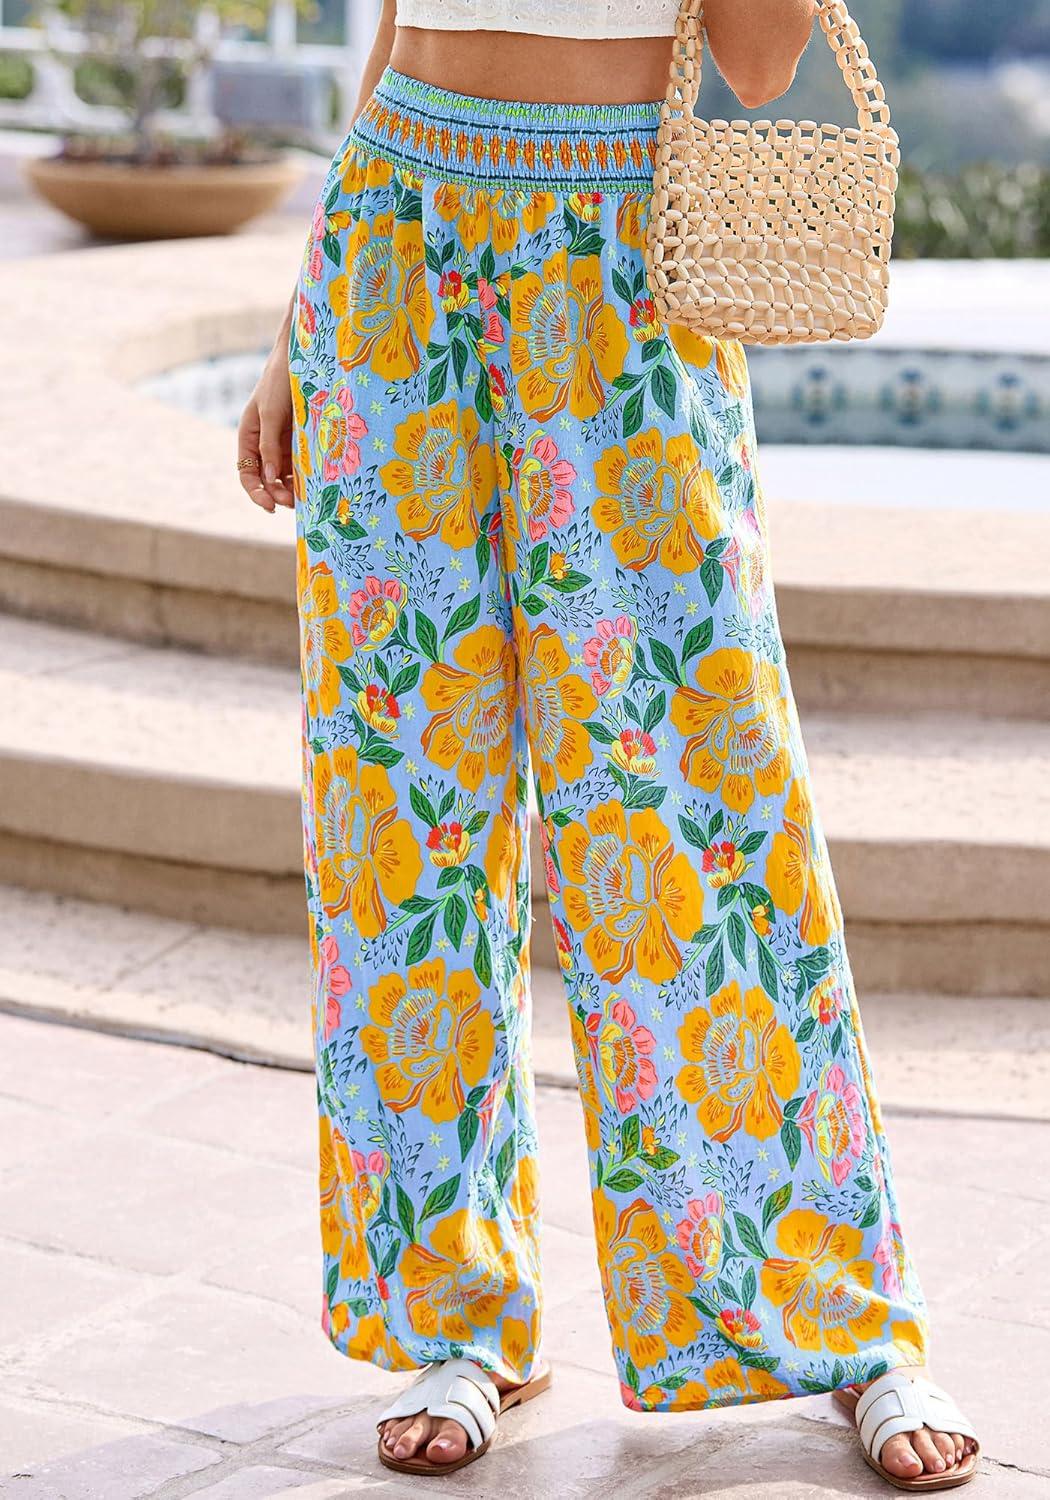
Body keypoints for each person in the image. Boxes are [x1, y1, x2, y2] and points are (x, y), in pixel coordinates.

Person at [237, 0, 981, 1486]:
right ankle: (456, 1315)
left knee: (702, 797)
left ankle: (839, 1318)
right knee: (402, 811)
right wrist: (296, 325)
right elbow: (395, 28)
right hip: (394, 243)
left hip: (624, 248)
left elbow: (759, 63)